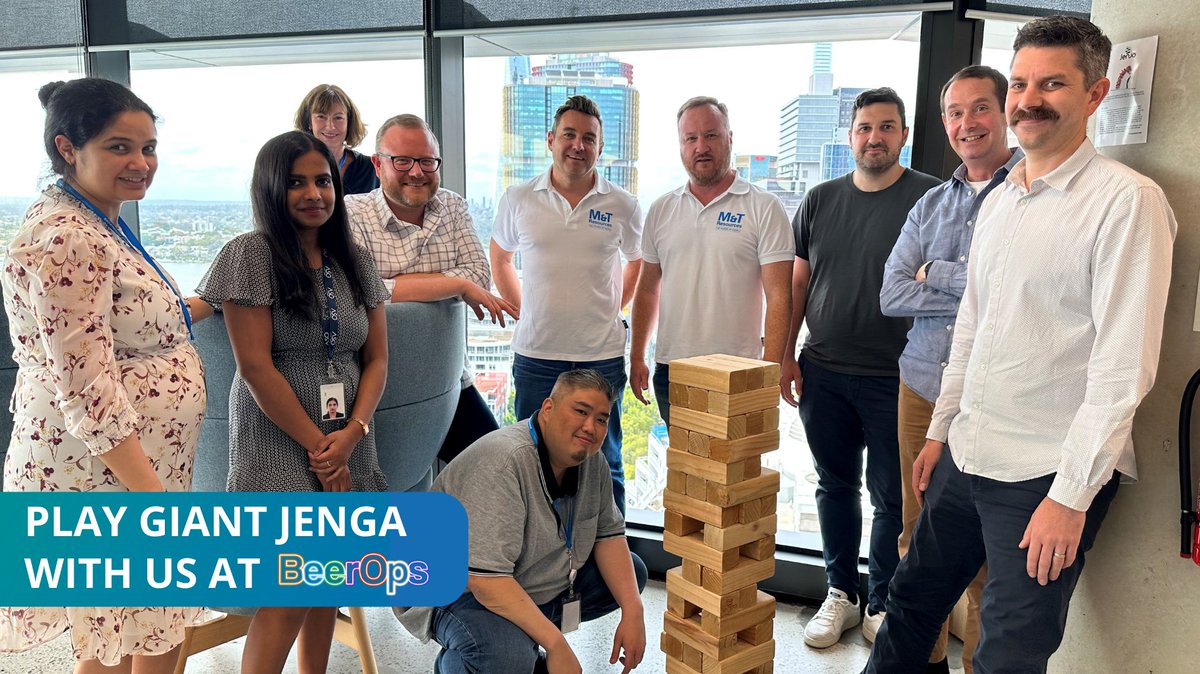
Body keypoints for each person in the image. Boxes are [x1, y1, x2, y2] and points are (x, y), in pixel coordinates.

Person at [866, 16, 1177, 673]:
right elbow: (974, 326)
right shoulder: (1004, 199)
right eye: (1022, 83)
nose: (1030, 98)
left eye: (1053, 83)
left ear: (1094, 95)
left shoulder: (1126, 203)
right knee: (910, 605)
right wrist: (941, 429)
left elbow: (1125, 369)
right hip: (969, 451)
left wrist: (1071, 497)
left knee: (1008, 652)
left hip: (1045, 476)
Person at [0, 77, 209, 672]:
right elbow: (89, 393)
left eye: (148, 147)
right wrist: (158, 508)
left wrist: (205, 302)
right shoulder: (70, 238)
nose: (141, 163)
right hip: (109, 478)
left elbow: (120, 327)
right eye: (120, 147)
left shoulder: (96, 219)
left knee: (139, 630)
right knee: (115, 641)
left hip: (128, 471)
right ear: (69, 148)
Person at [197, 130, 390, 674]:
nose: (314, 194)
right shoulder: (248, 255)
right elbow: (255, 366)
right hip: (276, 439)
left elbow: (376, 359)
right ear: (271, 189)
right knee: (287, 589)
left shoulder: (352, 257)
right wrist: (320, 448)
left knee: (327, 581)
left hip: (348, 435)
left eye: (323, 180)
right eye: (297, 182)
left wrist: (351, 434)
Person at [780, 87, 941, 649]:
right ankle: (841, 593)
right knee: (834, 484)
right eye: (865, 127)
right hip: (823, 368)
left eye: (887, 127)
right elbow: (798, 282)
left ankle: (882, 599)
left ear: (903, 134)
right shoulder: (819, 199)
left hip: (900, 377)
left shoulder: (930, 197)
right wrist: (782, 352)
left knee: (893, 495)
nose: (875, 137)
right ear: (850, 136)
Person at [878, 65, 1020, 674]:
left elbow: (1013, 293)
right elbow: (890, 293)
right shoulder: (930, 203)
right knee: (917, 541)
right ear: (943, 123)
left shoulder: (1028, 194)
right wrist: (972, 289)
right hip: (920, 388)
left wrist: (934, 274)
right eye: (956, 113)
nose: (968, 124)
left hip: (991, 397)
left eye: (980, 108)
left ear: (1005, 111)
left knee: (987, 557)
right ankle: (925, 664)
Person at [397, 369, 647, 674]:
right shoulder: (504, 462)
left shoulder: (591, 462)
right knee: (504, 657)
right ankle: (470, 661)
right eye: (581, 411)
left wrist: (634, 611)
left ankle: (517, 636)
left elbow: (608, 535)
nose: (590, 427)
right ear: (547, 410)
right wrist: (556, 644)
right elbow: (485, 582)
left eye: (601, 419)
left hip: (517, 574)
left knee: (631, 574)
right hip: (451, 589)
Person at [490, 95, 643, 512]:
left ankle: (611, 568)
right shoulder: (519, 198)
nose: (578, 145)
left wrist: (615, 306)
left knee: (605, 462)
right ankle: (541, 565)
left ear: (600, 147)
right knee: (533, 461)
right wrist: (525, 311)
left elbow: (639, 261)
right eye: (569, 135)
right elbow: (500, 256)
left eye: (589, 138)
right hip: (537, 355)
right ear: (550, 140)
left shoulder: (622, 204)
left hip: (601, 356)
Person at [346, 114, 515, 465]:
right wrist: (454, 284)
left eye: (427, 161)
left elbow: (479, 276)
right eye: (402, 161)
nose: (417, 172)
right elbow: (363, 288)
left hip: (449, 379)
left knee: (499, 466)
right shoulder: (353, 213)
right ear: (378, 164)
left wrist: (405, 286)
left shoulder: (451, 206)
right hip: (371, 391)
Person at [629, 96, 793, 425]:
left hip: (738, 373)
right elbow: (647, 290)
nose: (700, 146)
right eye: (690, 138)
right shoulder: (662, 209)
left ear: (729, 138)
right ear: (680, 145)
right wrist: (636, 357)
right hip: (672, 370)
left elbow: (778, 296)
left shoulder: (763, 206)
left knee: (736, 476)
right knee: (684, 473)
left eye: (711, 135)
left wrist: (769, 371)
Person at [294, 84, 379, 195]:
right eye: (321, 116)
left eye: (338, 117)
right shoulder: (294, 165)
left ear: (349, 122)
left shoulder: (369, 168)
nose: (330, 126)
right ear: (309, 121)